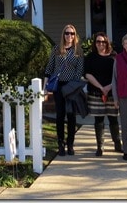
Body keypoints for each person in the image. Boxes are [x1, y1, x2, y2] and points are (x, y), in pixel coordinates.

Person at [44, 24, 85, 156]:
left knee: (71, 115)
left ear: (75, 35)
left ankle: (70, 144)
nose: (69, 36)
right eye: (67, 33)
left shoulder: (78, 51)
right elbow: (49, 68)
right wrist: (45, 87)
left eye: (72, 33)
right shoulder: (57, 49)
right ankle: (60, 143)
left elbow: (79, 71)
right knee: (60, 115)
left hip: (71, 87)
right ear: (63, 35)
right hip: (58, 86)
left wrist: (72, 86)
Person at [84, 32, 122, 156]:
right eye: (98, 42)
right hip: (96, 92)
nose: (100, 44)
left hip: (112, 92)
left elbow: (118, 74)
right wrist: (101, 87)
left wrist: (109, 86)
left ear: (107, 42)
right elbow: (87, 74)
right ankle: (100, 146)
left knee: (113, 119)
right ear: (95, 43)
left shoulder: (114, 56)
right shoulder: (90, 57)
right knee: (98, 120)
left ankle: (117, 144)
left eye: (103, 41)